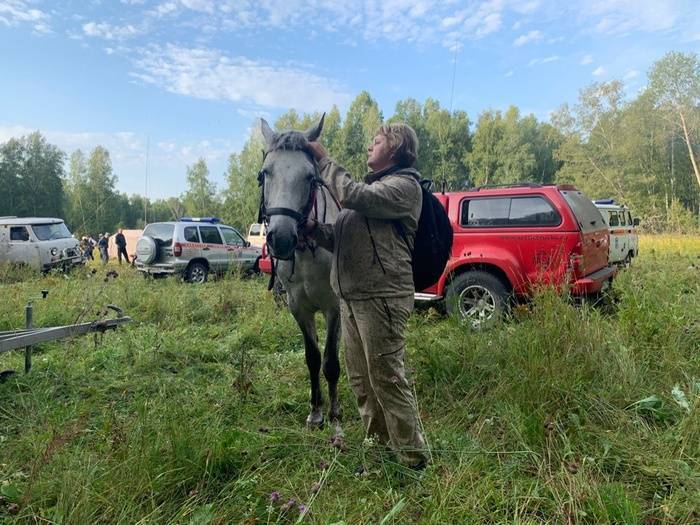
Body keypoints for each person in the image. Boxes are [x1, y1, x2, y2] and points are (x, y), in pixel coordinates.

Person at [305, 123, 428, 471]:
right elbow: (344, 240)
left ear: (396, 147)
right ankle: (378, 454)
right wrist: (316, 232)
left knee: (387, 378)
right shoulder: (370, 192)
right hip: (352, 297)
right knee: (361, 381)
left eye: (376, 142)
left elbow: (352, 195)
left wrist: (326, 160)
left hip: (382, 297)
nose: (369, 147)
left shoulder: (404, 187)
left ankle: (412, 460)